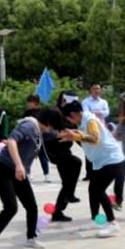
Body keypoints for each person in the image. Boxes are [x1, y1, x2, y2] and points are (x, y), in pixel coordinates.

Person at [0, 110, 59, 249]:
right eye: (53, 126)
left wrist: (75, 134)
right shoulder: (28, 126)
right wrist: (19, 165)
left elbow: (57, 134)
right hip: (4, 169)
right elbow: (12, 141)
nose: (52, 129)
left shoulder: (41, 131)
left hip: (18, 173)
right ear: (47, 122)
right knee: (10, 208)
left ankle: (31, 237)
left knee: (31, 206)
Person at [61, 101, 125, 238]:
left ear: (73, 114)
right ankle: (96, 220)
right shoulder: (83, 120)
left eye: (68, 118)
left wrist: (76, 136)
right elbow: (84, 133)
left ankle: (113, 223)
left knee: (98, 190)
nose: (69, 121)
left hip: (111, 159)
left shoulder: (90, 121)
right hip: (101, 161)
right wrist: (73, 132)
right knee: (92, 189)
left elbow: (95, 138)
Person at [43, 92, 82, 222]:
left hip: (65, 150)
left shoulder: (71, 114)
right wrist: (60, 134)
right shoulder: (54, 112)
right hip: (54, 150)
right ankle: (70, 194)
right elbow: (46, 131)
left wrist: (88, 146)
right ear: (64, 100)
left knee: (67, 182)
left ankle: (57, 212)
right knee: (77, 163)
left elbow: (76, 135)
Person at [24, 95, 52, 183]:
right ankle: (27, 174)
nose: (28, 104)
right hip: (31, 136)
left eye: (30, 102)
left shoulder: (42, 112)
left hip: (42, 137)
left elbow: (47, 123)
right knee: (29, 156)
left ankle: (46, 174)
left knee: (42, 156)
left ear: (35, 102)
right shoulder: (27, 112)